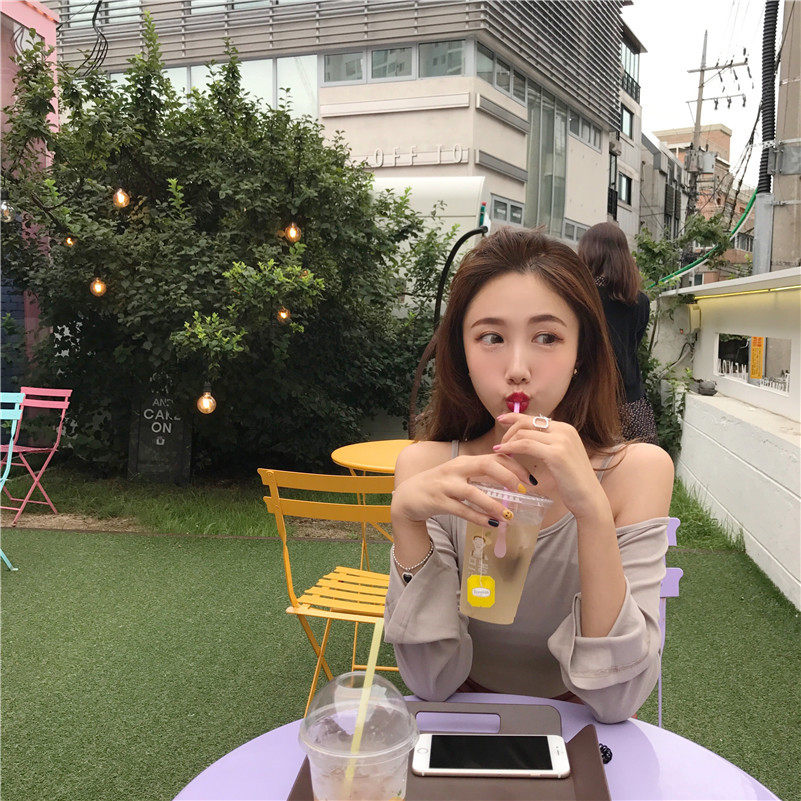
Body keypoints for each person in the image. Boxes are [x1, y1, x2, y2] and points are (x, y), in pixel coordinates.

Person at [384, 227, 674, 724]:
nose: (517, 369)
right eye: (491, 338)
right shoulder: (427, 469)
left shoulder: (638, 471)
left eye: (547, 337)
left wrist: (592, 510)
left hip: (580, 723)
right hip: (465, 719)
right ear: (462, 353)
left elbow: (617, 702)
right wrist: (408, 526)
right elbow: (431, 683)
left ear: (581, 352)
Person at [577, 221, 658, 444]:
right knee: (640, 460)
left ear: (589, 254)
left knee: (585, 458)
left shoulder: (580, 297)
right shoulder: (640, 301)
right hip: (630, 399)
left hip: (586, 399)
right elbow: (633, 345)